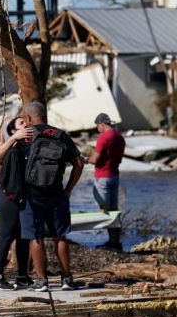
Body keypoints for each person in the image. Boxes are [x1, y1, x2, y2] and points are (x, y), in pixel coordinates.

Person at [19, 101, 85, 292]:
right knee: (60, 236)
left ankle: (42, 281)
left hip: (31, 195)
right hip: (57, 193)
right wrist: (68, 190)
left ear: (29, 118)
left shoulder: (26, 136)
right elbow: (79, 164)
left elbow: (7, 163)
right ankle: (67, 279)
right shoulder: (60, 135)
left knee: (35, 238)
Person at [0, 115, 33, 290]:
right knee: (6, 236)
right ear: (13, 130)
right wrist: (14, 138)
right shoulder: (12, 145)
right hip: (8, 197)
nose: (26, 125)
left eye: (26, 122)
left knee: (23, 237)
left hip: (24, 196)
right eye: (22, 123)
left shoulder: (28, 145)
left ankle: (22, 276)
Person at [89, 113, 125, 251]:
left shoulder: (103, 137)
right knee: (114, 210)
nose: (97, 128)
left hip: (102, 177)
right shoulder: (120, 137)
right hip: (115, 176)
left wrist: (86, 159)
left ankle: (112, 242)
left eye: (97, 126)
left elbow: (95, 159)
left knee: (106, 211)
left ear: (101, 124)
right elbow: (119, 159)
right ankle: (116, 241)